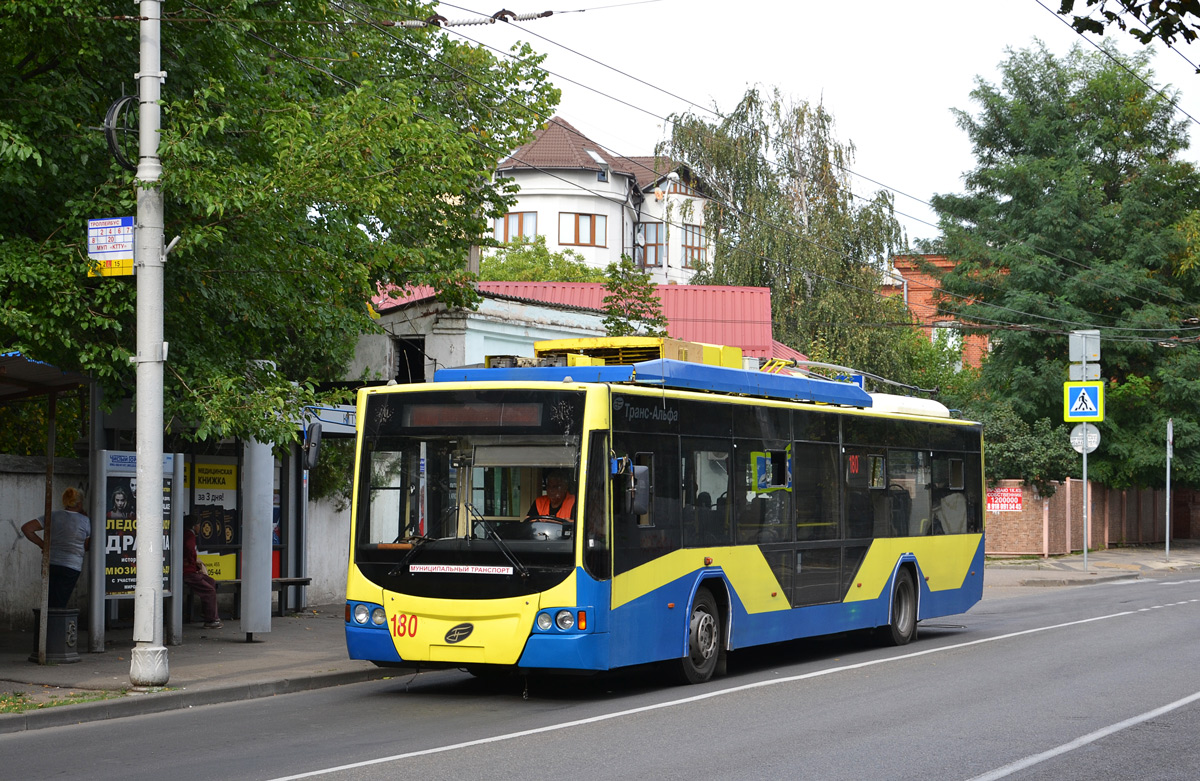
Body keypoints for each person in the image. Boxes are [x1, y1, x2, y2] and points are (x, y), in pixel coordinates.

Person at [21, 487, 91, 608]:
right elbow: (86, 546)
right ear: (79, 503)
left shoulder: (52, 516)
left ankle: (47, 624)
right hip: (71, 566)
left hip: (50, 564)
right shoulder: (85, 521)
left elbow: (27, 528)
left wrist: (43, 545)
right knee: (60, 602)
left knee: (49, 599)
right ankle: (55, 626)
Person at [183, 514, 222, 628]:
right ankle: (211, 620)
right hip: (187, 572)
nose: (200, 527)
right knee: (209, 590)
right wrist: (192, 562)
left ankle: (207, 611)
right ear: (195, 526)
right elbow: (189, 549)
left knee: (211, 581)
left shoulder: (186, 534)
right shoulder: (189, 535)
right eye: (199, 525)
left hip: (190, 569)